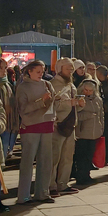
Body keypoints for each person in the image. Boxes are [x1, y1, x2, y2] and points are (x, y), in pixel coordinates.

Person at [15, 60, 57, 205]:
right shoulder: (23, 87)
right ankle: (24, 195)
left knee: (46, 161)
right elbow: (23, 109)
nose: (41, 74)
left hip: (47, 124)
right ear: (30, 71)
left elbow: (53, 103)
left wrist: (54, 102)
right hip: (31, 126)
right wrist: (41, 101)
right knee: (27, 162)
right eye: (38, 72)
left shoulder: (47, 84)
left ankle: (43, 192)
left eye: (42, 71)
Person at [49, 59, 83, 196]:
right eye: (68, 68)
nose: (70, 71)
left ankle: (63, 184)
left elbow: (73, 105)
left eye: (71, 69)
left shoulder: (71, 85)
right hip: (58, 125)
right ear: (59, 69)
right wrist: (70, 103)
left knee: (67, 157)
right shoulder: (52, 84)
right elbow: (52, 104)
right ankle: (51, 185)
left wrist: (79, 105)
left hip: (70, 125)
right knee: (54, 158)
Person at [74, 78, 103, 184]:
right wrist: (88, 116)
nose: (88, 92)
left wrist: (101, 127)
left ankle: (87, 175)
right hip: (82, 132)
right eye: (86, 90)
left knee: (89, 156)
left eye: (90, 91)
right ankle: (81, 176)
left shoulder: (98, 99)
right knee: (81, 156)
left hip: (94, 132)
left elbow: (101, 114)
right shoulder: (79, 99)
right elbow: (76, 115)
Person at [96, 65, 108, 163]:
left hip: (106, 113)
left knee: (106, 135)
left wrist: (105, 107)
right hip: (98, 113)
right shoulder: (97, 84)